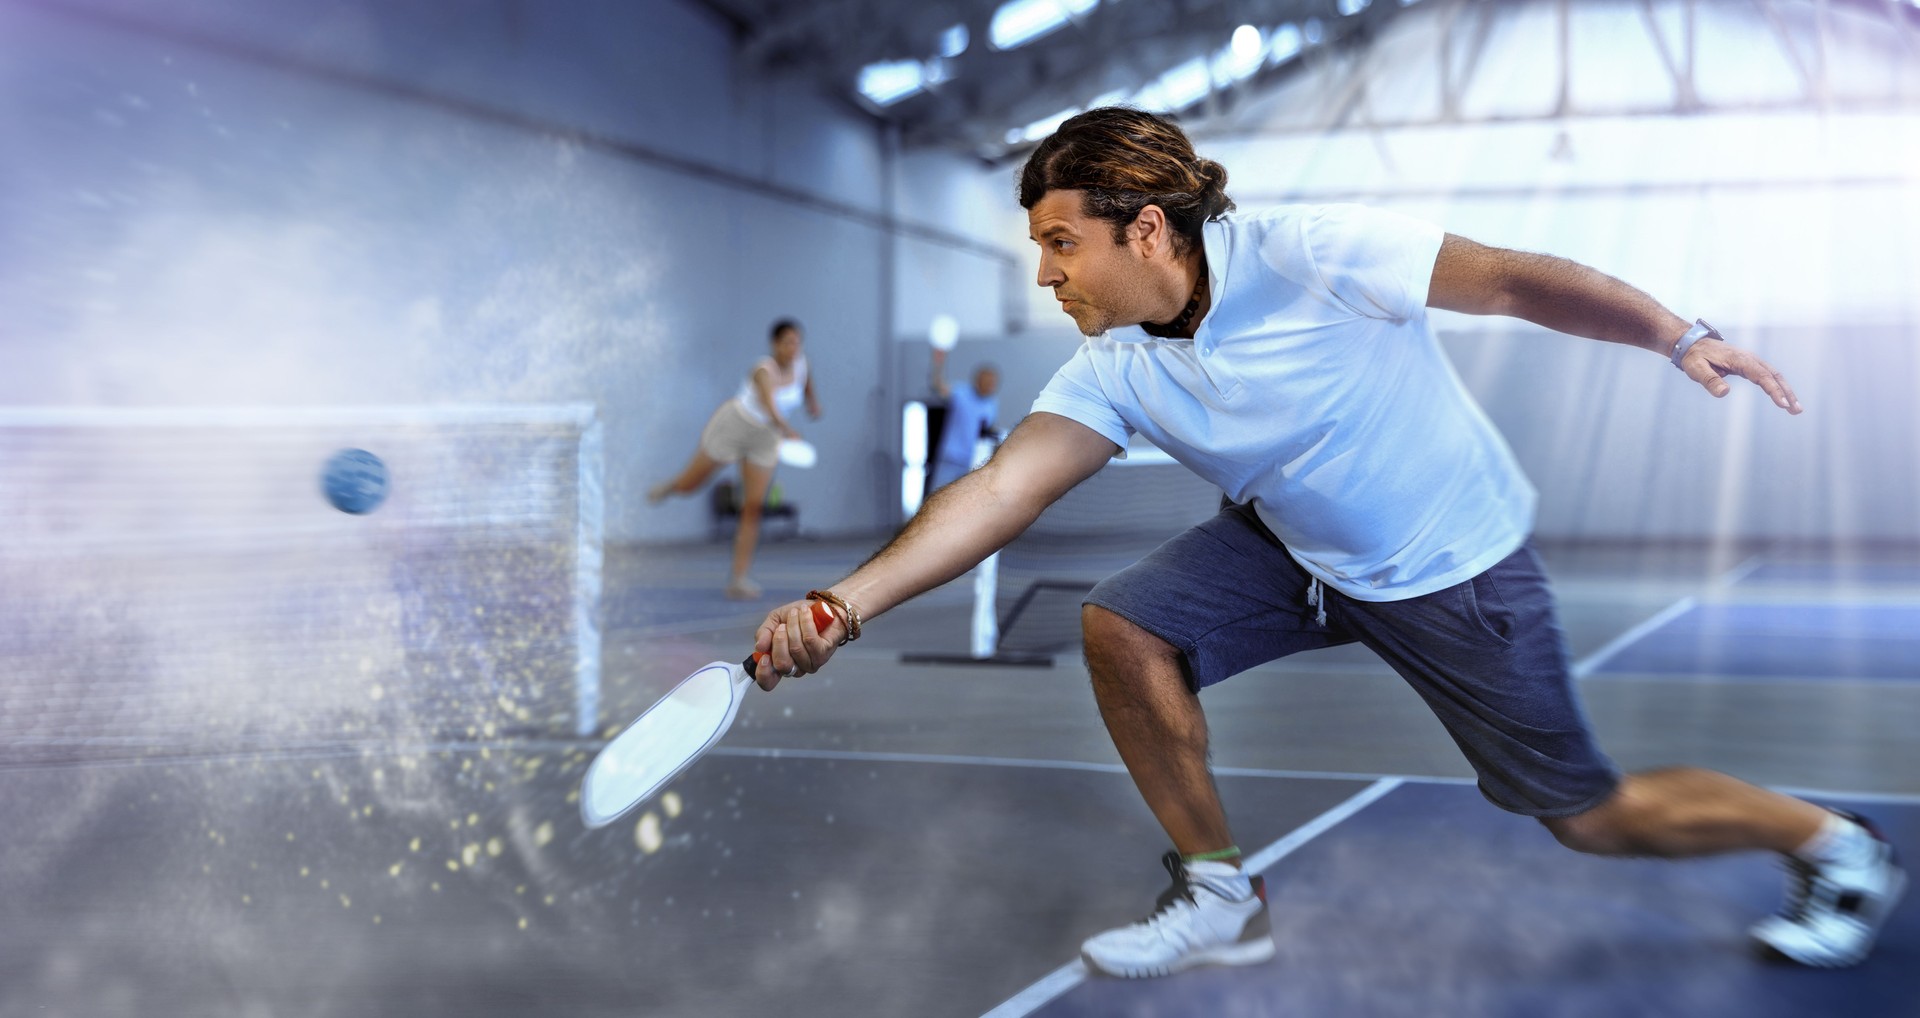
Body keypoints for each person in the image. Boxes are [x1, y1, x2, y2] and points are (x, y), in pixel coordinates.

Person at [747, 108, 1906, 978]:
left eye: (1061, 242)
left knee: (1589, 815)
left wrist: (1675, 334)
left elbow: (1507, 282)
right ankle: (1217, 893)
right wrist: (843, 606)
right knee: (1125, 627)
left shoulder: (1310, 253)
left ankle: (1831, 839)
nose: (1046, 272)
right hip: (1291, 549)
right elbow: (1002, 489)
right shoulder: (1116, 362)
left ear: (1146, 228)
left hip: (1454, 572)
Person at [649, 318, 820, 599]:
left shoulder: (803, 364)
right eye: (787, 342)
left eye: (797, 342)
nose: (793, 347)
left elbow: (807, 384)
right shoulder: (762, 370)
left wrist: (813, 402)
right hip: (736, 425)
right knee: (690, 484)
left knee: (752, 507)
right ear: (774, 344)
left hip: (766, 438)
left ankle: (738, 578)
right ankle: (670, 487)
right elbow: (771, 407)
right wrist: (789, 432)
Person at [926, 349, 1001, 493]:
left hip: (971, 464)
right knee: (937, 499)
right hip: (950, 459)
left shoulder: (992, 403)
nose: (991, 385)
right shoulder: (961, 393)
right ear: (978, 380)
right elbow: (937, 385)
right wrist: (938, 363)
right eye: (988, 382)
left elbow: (986, 430)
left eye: (993, 383)